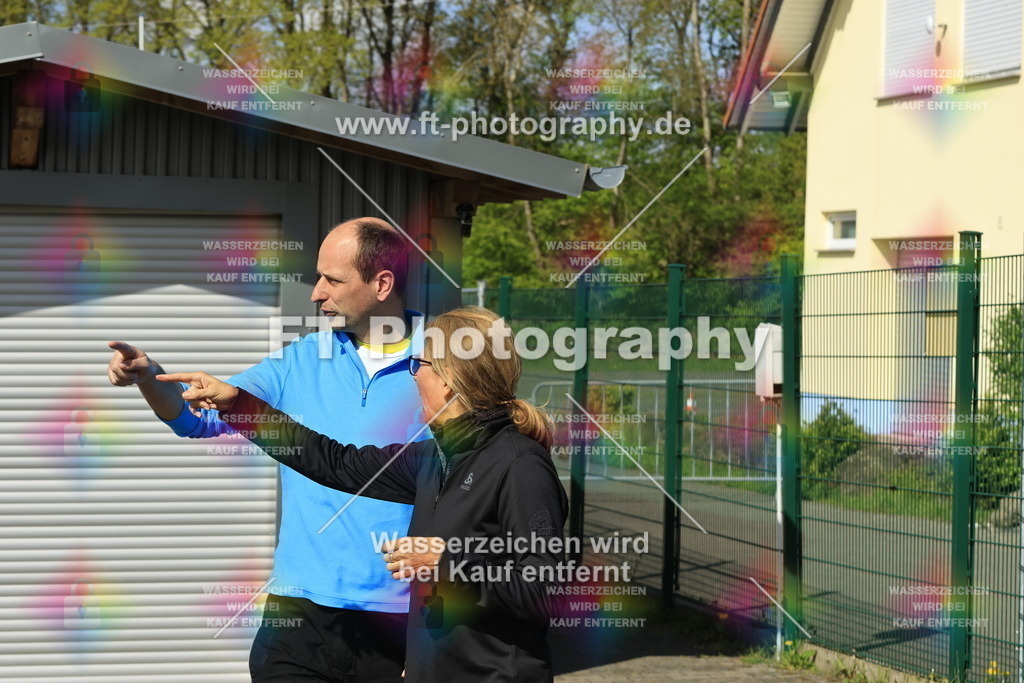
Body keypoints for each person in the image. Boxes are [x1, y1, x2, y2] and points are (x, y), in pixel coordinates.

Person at [157, 306, 569, 682]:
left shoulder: (520, 465)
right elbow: (335, 461)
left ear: (446, 381)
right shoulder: (434, 456)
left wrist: (447, 560)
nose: (412, 376)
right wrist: (238, 404)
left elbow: (542, 586)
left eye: (417, 365)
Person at [106, 218, 423, 682]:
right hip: (298, 615)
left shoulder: (445, 364)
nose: (316, 293)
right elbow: (197, 419)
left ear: (382, 283)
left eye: (332, 280)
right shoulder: (300, 360)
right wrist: (149, 378)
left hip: (401, 620)